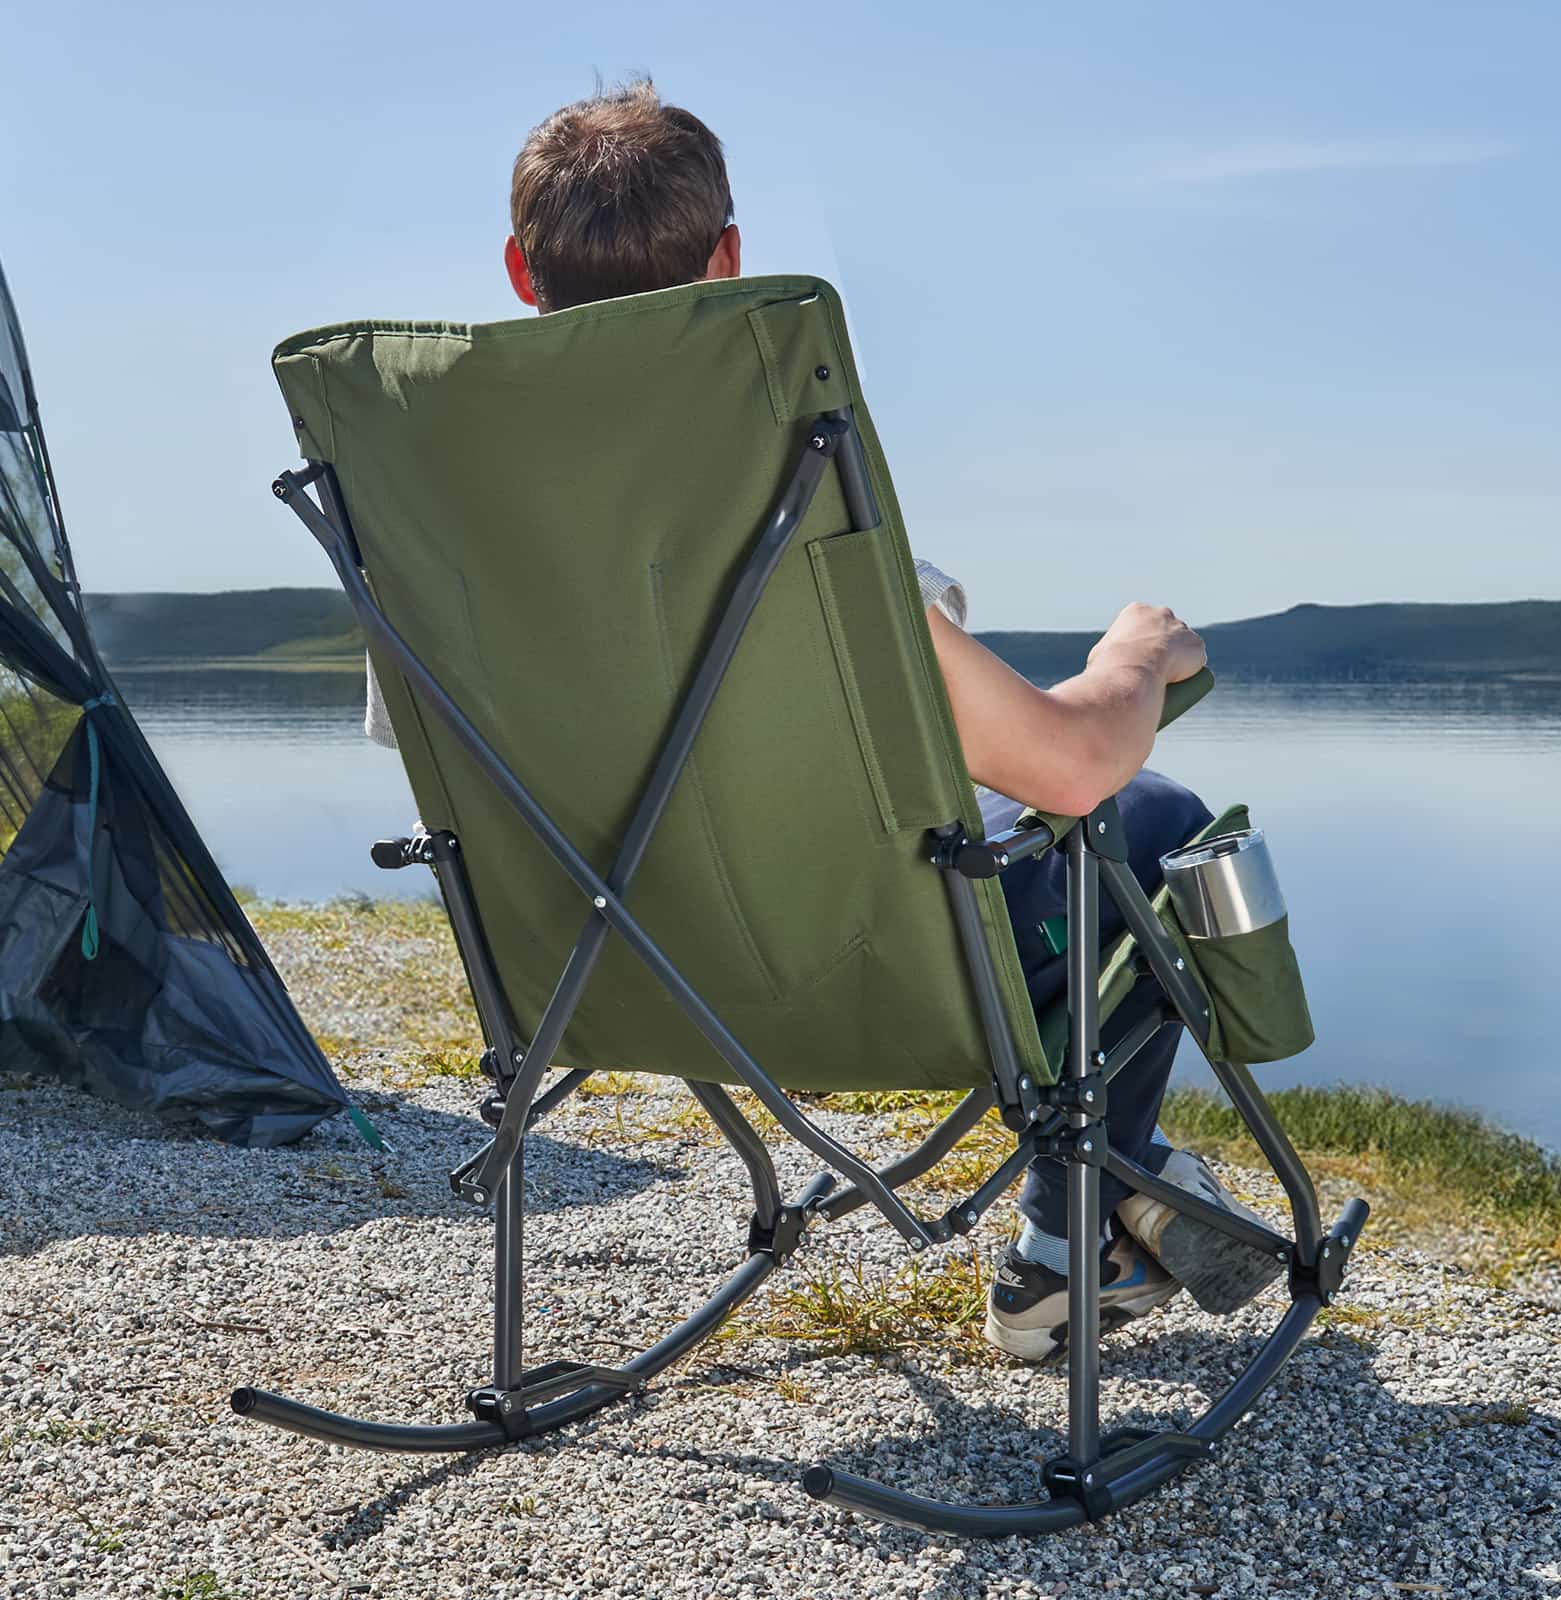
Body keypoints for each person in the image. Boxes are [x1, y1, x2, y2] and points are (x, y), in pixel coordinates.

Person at [363, 77, 1281, 1363]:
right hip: (854, 974)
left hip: (591, 971)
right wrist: (1129, 656)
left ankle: (1117, 1187)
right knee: (1150, 820)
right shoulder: (785, 507)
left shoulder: (440, 550)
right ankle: (1076, 1233)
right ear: (729, 264)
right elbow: (1071, 766)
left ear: (521, 271)